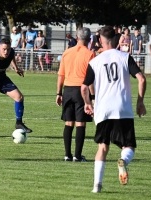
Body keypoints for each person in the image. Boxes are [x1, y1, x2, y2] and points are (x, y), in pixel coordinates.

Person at [80, 26, 146, 193]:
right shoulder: (125, 57)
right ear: (115, 40)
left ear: (101, 40)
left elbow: (83, 88)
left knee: (102, 147)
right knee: (128, 146)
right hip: (122, 108)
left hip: (103, 110)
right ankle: (123, 161)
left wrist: (87, 103)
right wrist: (140, 102)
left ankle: (97, 186)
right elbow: (142, 79)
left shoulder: (94, 62)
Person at [56, 27, 95, 162]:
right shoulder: (90, 54)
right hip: (81, 90)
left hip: (68, 89)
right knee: (80, 123)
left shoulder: (67, 52)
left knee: (68, 122)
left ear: (76, 38)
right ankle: (77, 156)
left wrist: (58, 93)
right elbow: (90, 78)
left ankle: (67, 155)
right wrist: (93, 97)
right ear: (89, 40)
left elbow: (61, 74)